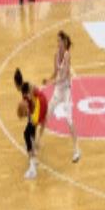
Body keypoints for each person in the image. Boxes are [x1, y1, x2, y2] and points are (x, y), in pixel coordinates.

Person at [42, 31, 80, 162]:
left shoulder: (67, 56)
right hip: (58, 89)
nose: (57, 43)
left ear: (64, 42)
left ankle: (76, 150)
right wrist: (48, 79)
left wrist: (53, 82)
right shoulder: (56, 55)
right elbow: (55, 72)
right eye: (57, 40)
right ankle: (37, 141)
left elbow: (64, 76)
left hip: (66, 90)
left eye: (59, 40)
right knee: (47, 115)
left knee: (69, 119)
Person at [15, 71, 48, 179]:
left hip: (40, 105)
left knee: (26, 134)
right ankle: (34, 155)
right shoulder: (26, 86)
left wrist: (30, 114)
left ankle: (32, 168)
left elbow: (33, 104)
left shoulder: (26, 93)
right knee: (30, 131)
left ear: (16, 84)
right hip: (41, 103)